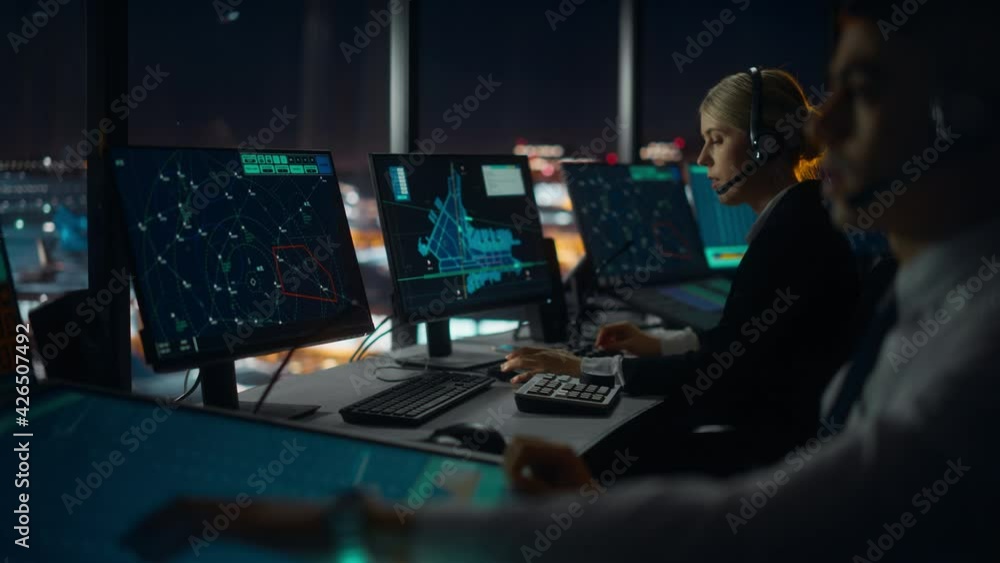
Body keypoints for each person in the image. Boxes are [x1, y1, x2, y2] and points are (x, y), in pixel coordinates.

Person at [126, 0, 1000, 560]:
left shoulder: (970, 357)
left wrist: (368, 527)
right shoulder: (918, 299)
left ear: (960, 118)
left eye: (867, 89)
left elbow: (784, 516)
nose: (825, 123)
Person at [504, 68, 860, 444]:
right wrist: (659, 345)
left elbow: (720, 373)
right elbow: (743, 345)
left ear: (765, 145)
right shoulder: (803, 217)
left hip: (772, 454)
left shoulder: (791, 237)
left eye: (717, 140)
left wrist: (583, 367)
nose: (703, 157)